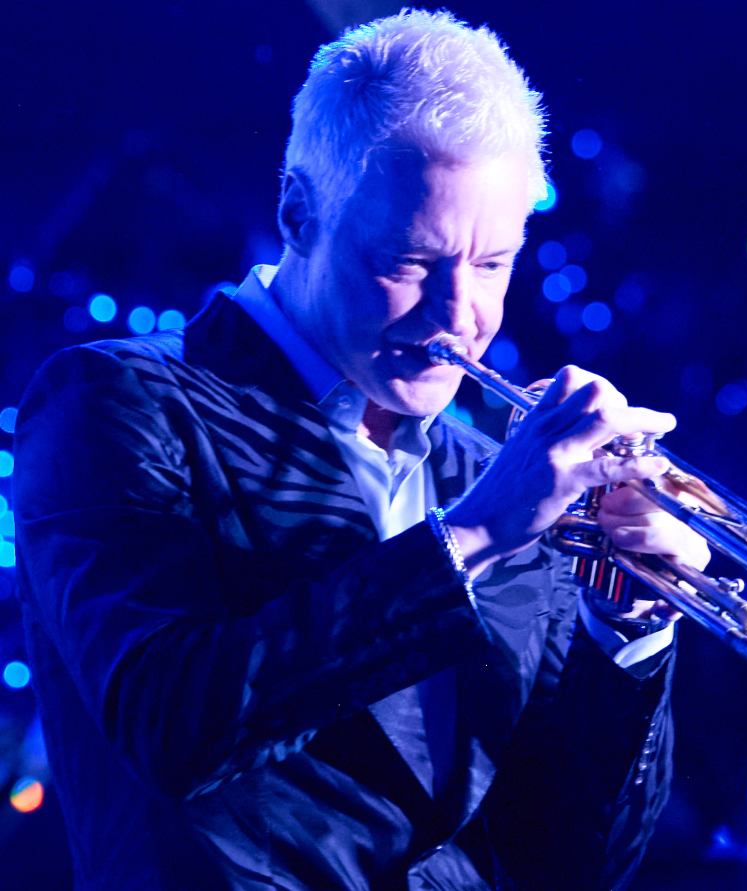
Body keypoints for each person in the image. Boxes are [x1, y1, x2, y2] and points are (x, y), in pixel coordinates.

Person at [14, 10, 709, 890]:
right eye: (412, 262)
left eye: (492, 264)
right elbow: (170, 721)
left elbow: (565, 862)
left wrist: (628, 627)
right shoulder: (119, 397)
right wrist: (479, 535)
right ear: (298, 213)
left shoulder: (477, 467)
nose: (461, 315)